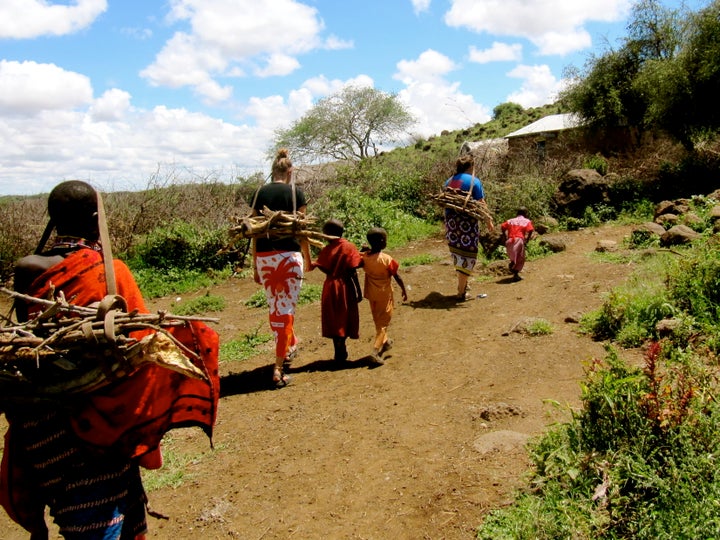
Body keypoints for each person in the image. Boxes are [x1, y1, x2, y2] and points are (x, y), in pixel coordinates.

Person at [0, 180, 220, 539]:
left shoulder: (28, 267)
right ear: (94, 219)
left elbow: (32, 337)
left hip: (41, 426)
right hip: (101, 425)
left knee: (73, 510)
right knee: (97, 522)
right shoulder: (111, 272)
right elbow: (140, 343)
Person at [250, 148, 311, 388]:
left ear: (273, 170)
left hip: (265, 258)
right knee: (285, 308)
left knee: (275, 304)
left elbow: (254, 232)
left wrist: (255, 264)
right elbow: (302, 232)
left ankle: (289, 343)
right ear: (290, 171)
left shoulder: (258, 193)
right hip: (289, 257)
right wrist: (308, 258)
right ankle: (278, 368)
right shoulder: (297, 194)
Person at [311, 219, 363, 363]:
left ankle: (338, 347)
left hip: (330, 286)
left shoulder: (327, 250)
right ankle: (342, 342)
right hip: (346, 286)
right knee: (346, 314)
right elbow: (353, 270)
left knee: (333, 317)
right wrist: (358, 290)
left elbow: (323, 267)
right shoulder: (349, 247)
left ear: (327, 234)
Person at [443, 154, 493, 301]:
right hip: (467, 223)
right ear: (471, 167)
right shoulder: (474, 181)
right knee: (468, 254)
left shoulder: (449, 181)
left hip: (451, 222)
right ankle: (460, 292)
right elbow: (481, 203)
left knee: (458, 253)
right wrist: (488, 220)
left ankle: (463, 284)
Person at [360, 227, 407, 365]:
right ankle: (375, 351)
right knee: (383, 324)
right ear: (382, 242)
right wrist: (404, 289)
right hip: (385, 294)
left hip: (371, 294)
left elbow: (359, 258)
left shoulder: (364, 257)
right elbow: (397, 276)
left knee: (378, 320)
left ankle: (385, 342)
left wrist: (363, 250)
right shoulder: (387, 259)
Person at [501, 206, 535, 281]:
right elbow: (531, 230)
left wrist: (504, 236)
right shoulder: (526, 221)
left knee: (513, 256)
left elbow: (502, 226)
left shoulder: (510, 220)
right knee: (520, 257)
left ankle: (513, 267)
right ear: (525, 213)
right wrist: (527, 239)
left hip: (510, 240)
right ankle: (515, 271)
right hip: (519, 240)